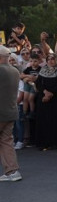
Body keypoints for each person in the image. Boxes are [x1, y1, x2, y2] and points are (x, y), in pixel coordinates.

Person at [34, 53, 57, 150]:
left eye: (53, 59)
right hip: (44, 99)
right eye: (48, 59)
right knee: (44, 120)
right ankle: (45, 142)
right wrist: (45, 92)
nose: (50, 61)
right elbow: (38, 83)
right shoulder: (43, 69)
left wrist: (50, 94)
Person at [0, 46, 22, 182]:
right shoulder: (14, 70)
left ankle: (11, 171)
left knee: (6, 141)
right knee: (6, 141)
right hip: (11, 111)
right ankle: (12, 171)